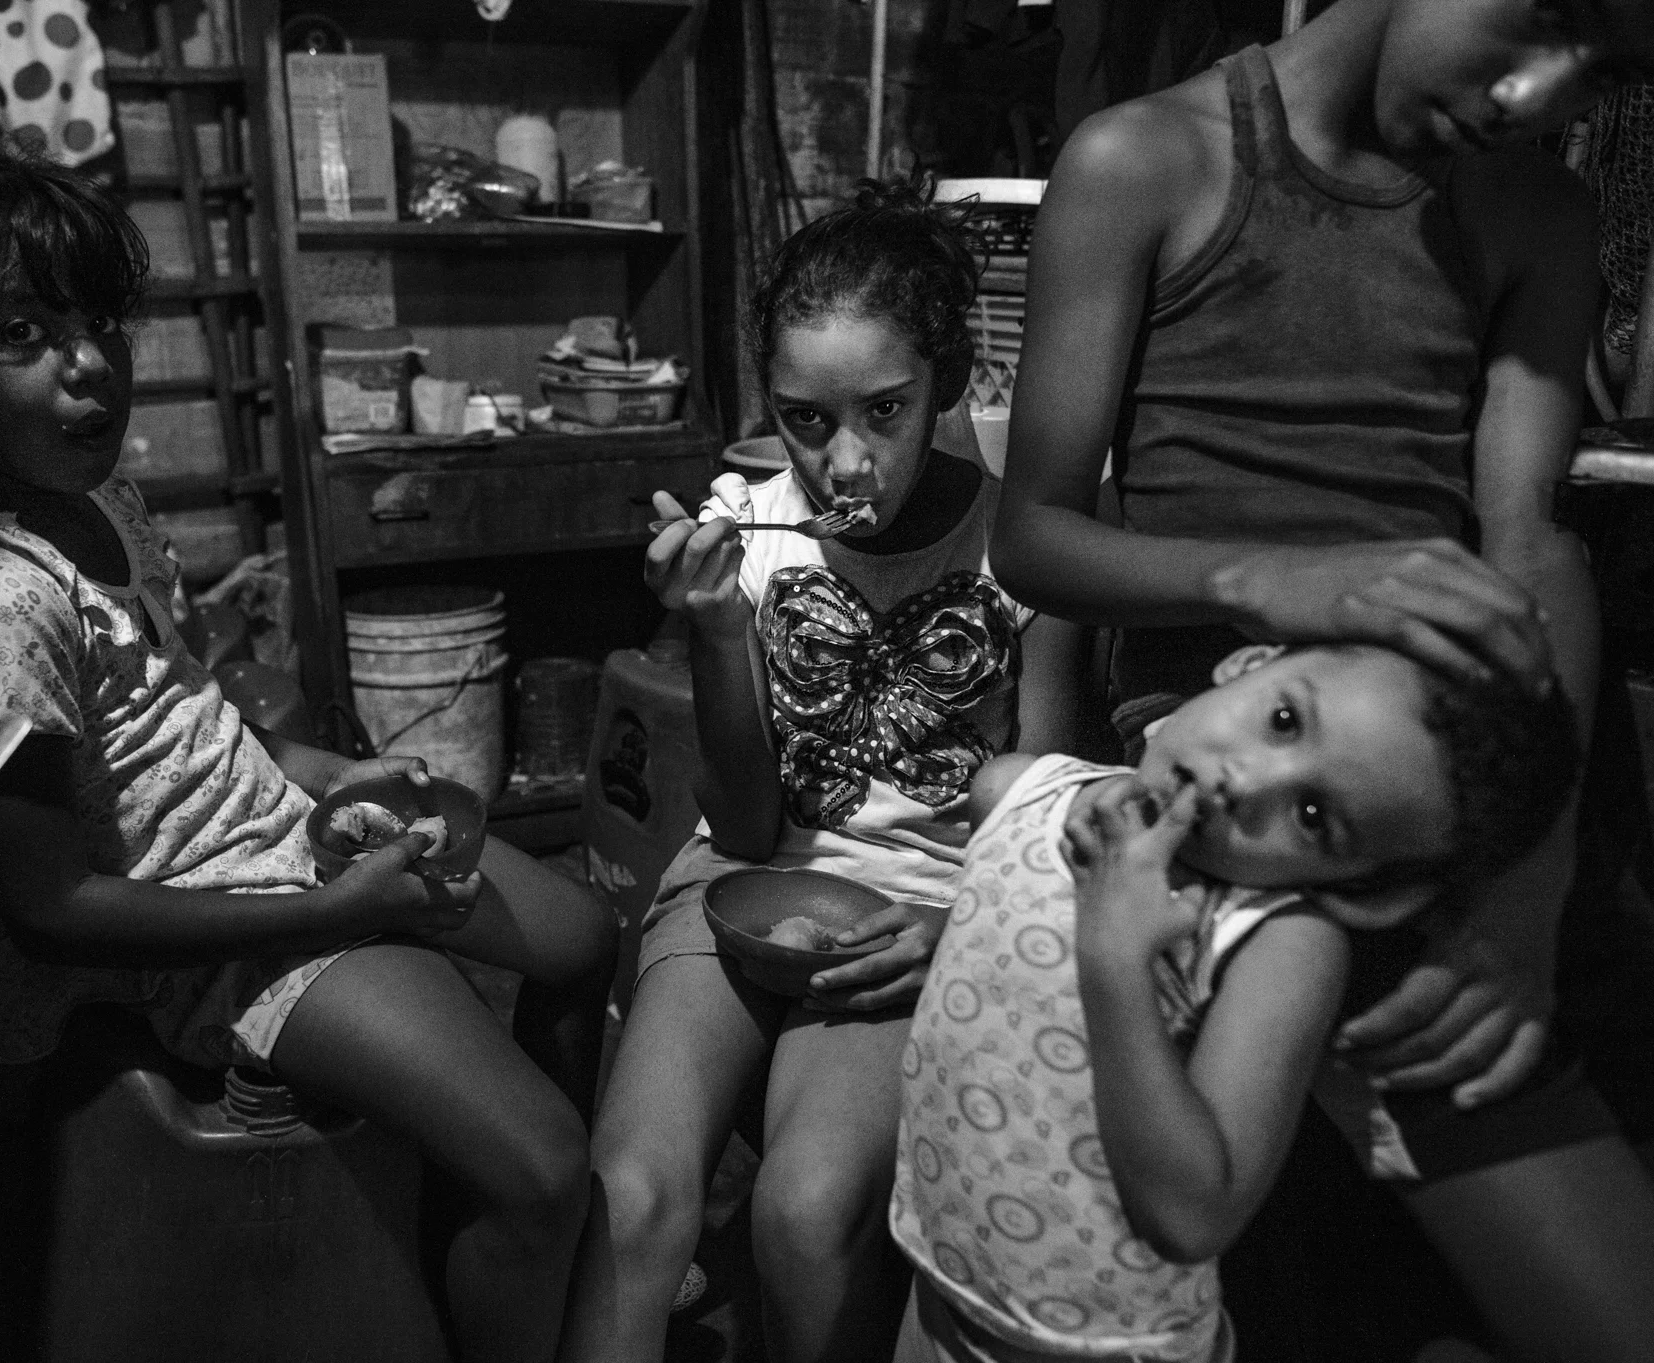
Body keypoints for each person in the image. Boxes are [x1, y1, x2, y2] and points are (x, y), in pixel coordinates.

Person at [0, 151, 615, 1363]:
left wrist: (328, 775)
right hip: (224, 931)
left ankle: (519, 1249)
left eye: (97, 322)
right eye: (22, 333)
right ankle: (523, 1257)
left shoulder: (103, 505)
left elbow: (194, 723)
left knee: (581, 939)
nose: (89, 363)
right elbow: (48, 904)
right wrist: (335, 910)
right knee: (542, 1162)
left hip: (287, 846)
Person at [988, 0, 1654, 1355]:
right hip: (1242, 777)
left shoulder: (1536, 212)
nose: (1539, 94)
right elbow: (1035, 529)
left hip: (1438, 774)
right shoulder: (1146, 162)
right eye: (1540, 23)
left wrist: (1524, 890)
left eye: (1607, 74)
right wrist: (1267, 578)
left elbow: (1531, 546)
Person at [557, 177, 1089, 1363]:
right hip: (745, 880)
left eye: (882, 411)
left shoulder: (1023, 546)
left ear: (945, 386)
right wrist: (710, 632)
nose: (840, 459)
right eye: (804, 418)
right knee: (631, 1200)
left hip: (921, 908)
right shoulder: (745, 531)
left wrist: (954, 929)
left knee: (805, 1214)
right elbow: (744, 828)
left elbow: (1040, 812)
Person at [893, 641, 1582, 1363]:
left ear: (1372, 892)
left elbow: (1193, 1216)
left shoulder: (1280, 943)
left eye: (1313, 814)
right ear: (1249, 663)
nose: (1247, 780)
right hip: (938, 1287)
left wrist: (1115, 957)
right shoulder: (1017, 793)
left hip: (1104, 1347)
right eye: (1285, 719)